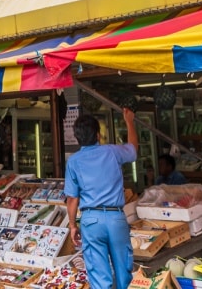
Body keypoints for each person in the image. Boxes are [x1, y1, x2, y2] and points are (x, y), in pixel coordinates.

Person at [65, 108, 139, 289]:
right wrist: (129, 121)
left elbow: (72, 199)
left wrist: (73, 225)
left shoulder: (73, 161)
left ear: (77, 138)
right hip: (115, 217)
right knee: (124, 270)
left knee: (99, 275)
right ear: (98, 135)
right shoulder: (112, 151)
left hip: (91, 220)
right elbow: (133, 150)